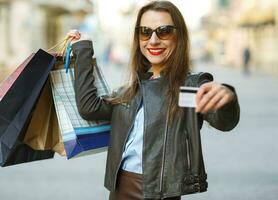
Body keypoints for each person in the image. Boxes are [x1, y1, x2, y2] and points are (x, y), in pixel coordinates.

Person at [67, 1, 240, 199]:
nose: (153, 40)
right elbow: (89, 108)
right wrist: (82, 49)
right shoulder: (131, 91)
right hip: (119, 190)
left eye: (164, 31)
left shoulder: (187, 88)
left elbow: (223, 121)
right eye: (145, 31)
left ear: (179, 36)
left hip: (159, 193)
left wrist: (226, 98)